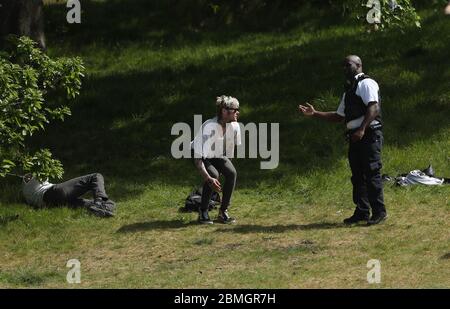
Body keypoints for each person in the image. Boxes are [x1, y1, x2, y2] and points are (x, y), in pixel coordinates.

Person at [299, 55, 387, 225]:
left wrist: (362, 129)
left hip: (368, 134)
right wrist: (315, 113)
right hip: (355, 137)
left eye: (348, 65)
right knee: (357, 176)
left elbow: (374, 107)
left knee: (371, 172)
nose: (345, 69)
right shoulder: (349, 90)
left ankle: (379, 212)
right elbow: (339, 116)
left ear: (359, 65)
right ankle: (362, 211)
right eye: (343, 66)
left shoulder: (366, 83)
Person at [191, 95, 241, 224]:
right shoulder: (209, 127)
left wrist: (226, 167)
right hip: (200, 155)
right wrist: (209, 179)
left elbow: (230, 149)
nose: (238, 113)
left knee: (232, 173)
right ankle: (203, 211)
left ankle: (223, 212)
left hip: (217, 153)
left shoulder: (234, 126)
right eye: (235, 110)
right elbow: (198, 160)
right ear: (224, 111)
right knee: (213, 174)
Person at [22, 173, 116, 217]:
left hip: (52, 204)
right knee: (96, 176)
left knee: (109, 202)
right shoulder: (31, 178)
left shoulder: (27, 193)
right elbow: (40, 169)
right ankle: (99, 203)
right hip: (53, 193)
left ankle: (100, 211)